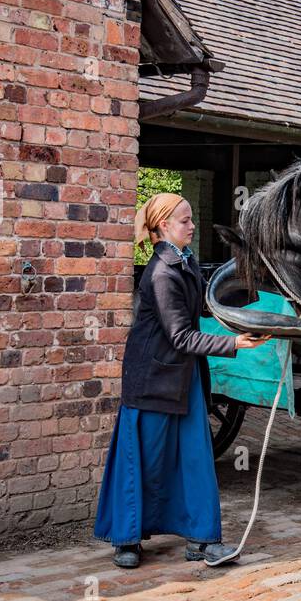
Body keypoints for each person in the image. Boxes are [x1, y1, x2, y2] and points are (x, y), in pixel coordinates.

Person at [93, 193, 269, 568]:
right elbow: (181, 336)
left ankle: (202, 541)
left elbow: (207, 304)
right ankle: (126, 539)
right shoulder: (161, 274)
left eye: (191, 219)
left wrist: (258, 301)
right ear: (163, 227)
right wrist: (235, 343)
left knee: (195, 459)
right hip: (152, 380)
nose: (192, 226)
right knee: (141, 461)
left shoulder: (185, 263)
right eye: (185, 220)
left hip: (183, 376)